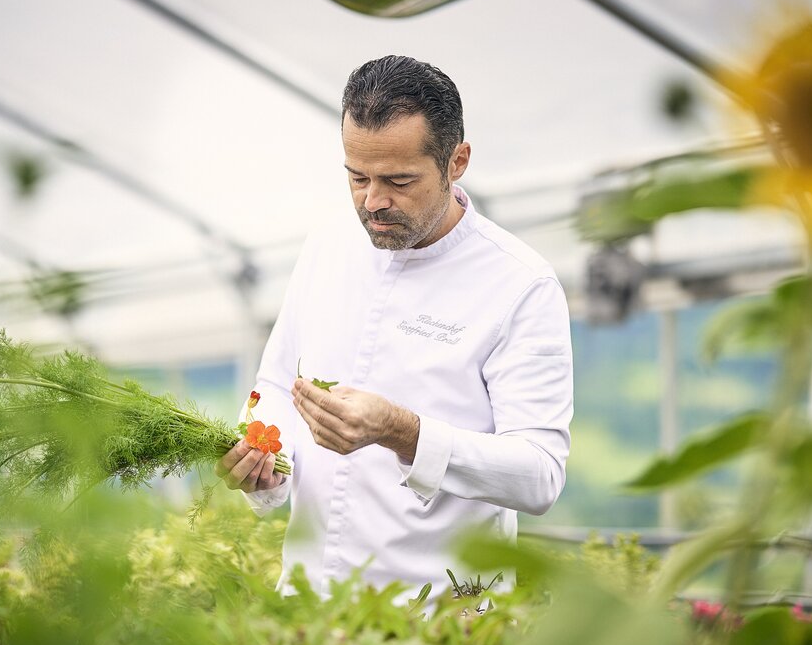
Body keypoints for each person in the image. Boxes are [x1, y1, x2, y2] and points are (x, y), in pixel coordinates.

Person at [217, 55, 573, 599]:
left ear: (457, 161)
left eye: (399, 180)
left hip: (440, 618)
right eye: (357, 177)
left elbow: (539, 475)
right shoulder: (327, 246)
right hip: (308, 606)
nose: (373, 201)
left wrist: (403, 432)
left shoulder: (520, 283)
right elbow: (277, 385)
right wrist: (263, 464)